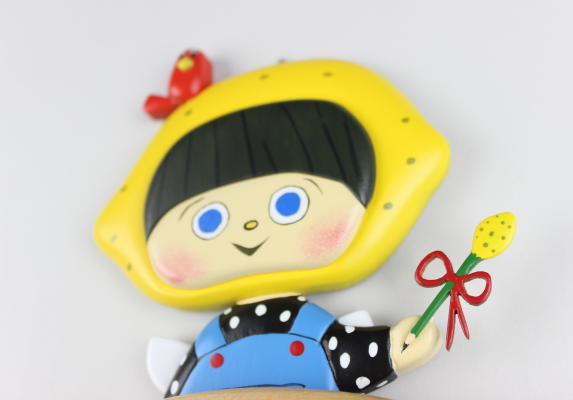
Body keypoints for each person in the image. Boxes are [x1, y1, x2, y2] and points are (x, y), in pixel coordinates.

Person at [95, 59, 450, 398]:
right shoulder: (213, 339)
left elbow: (341, 354)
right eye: (208, 221)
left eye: (289, 204)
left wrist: (391, 351)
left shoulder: (304, 324)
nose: (248, 226)